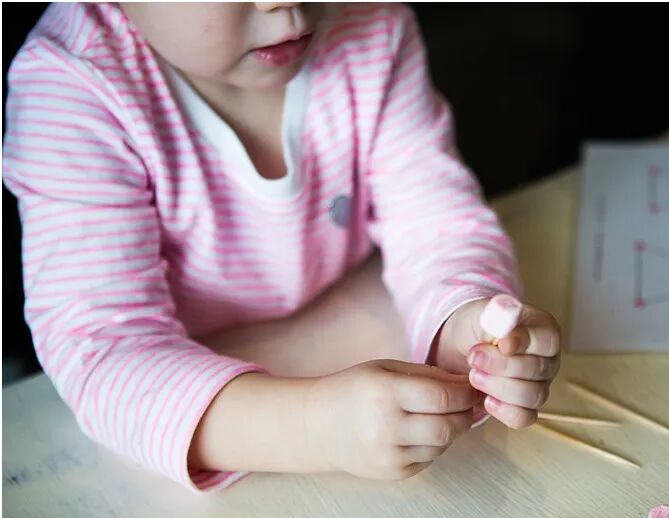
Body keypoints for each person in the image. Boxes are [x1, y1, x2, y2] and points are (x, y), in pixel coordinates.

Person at [2, 2, 561, 491]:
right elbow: (102, 349)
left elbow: (436, 222)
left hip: (342, 323)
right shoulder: (71, 89)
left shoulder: (371, 25)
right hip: (199, 403)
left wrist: (464, 321)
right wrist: (315, 427)